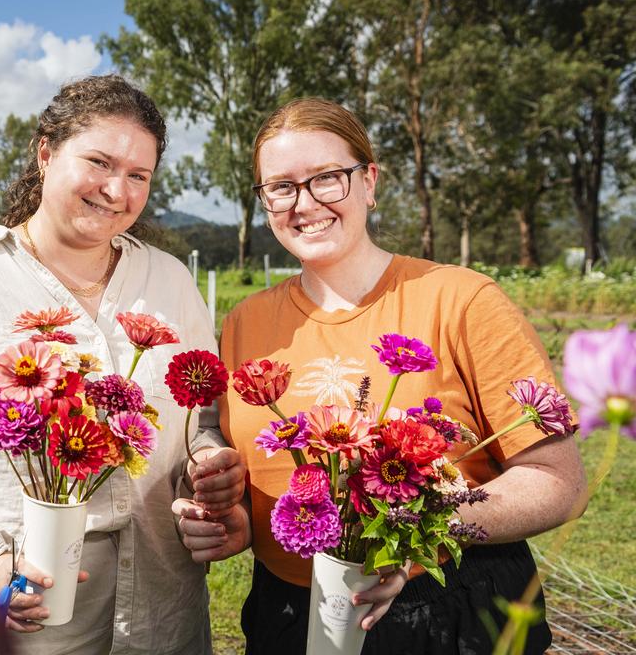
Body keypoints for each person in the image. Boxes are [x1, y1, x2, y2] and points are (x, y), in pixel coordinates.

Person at [176, 98, 586, 654]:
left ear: (369, 182)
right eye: (281, 187)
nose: (305, 203)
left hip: (448, 607)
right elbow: (261, 470)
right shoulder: (246, 322)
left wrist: (417, 537)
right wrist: (236, 519)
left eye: (328, 178)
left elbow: (557, 480)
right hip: (290, 612)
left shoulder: (461, 299)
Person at [0, 74, 243, 654]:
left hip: (160, 623)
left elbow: (202, 419)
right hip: (18, 629)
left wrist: (210, 463)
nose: (117, 190)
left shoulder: (170, 283)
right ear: (45, 153)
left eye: (138, 176)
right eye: (99, 161)